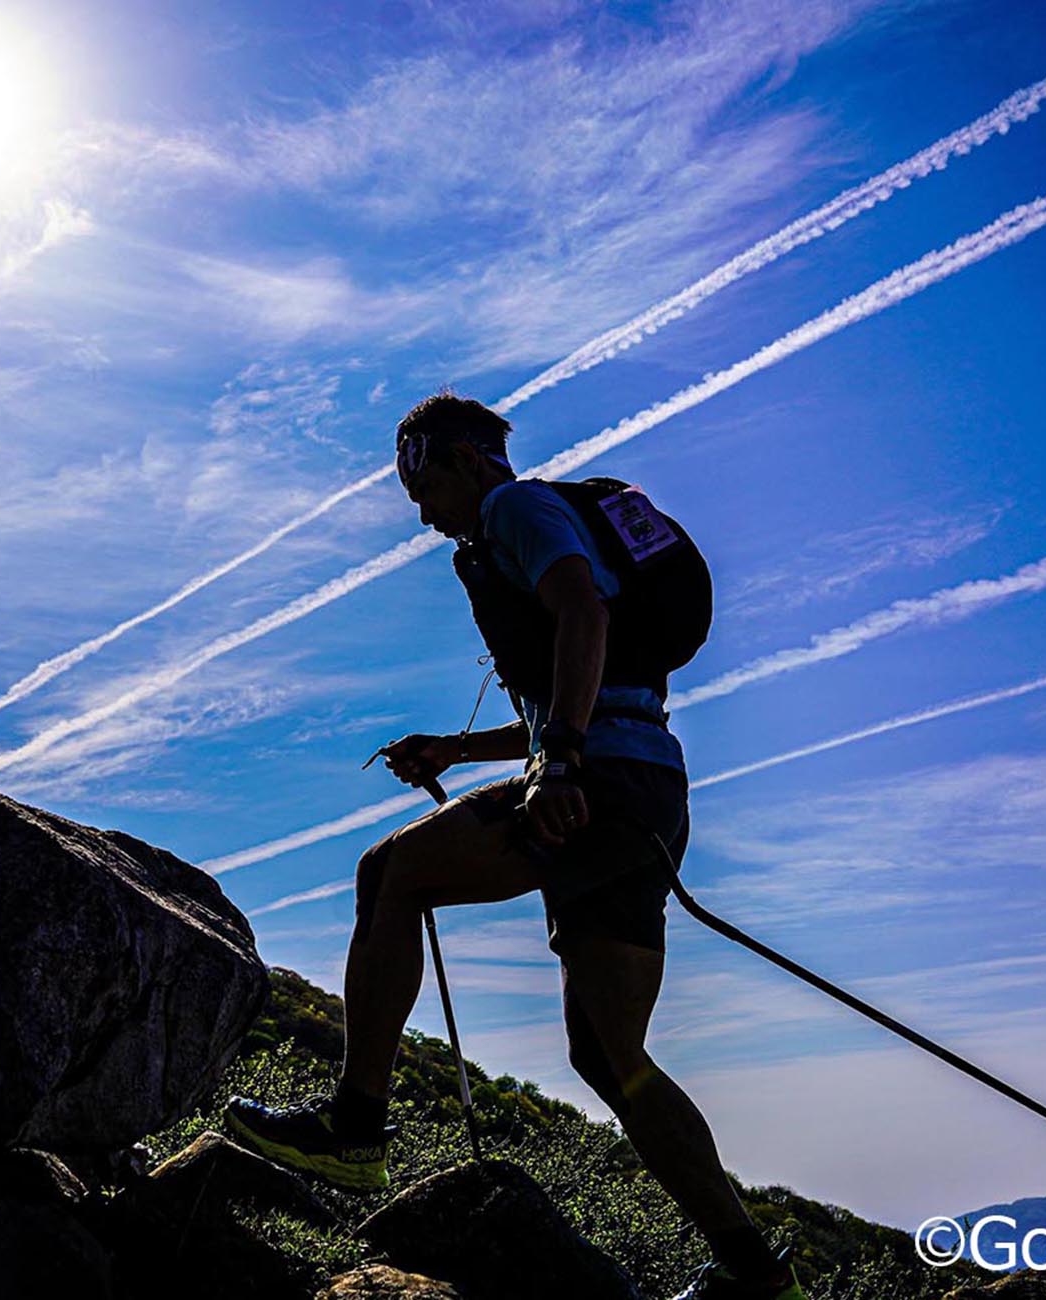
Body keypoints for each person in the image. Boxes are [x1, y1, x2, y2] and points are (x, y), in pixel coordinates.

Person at [225, 394, 803, 1300]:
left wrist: (561, 762)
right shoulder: (537, 518)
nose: (420, 512)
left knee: (390, 873)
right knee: (611, 1058)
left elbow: (583, 614)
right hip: (646, 787)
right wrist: (466, 749)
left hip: (595, 782)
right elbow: (589, 672)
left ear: (459, 458)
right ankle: (756, 1274)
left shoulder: (514, 509)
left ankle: (355, 1129)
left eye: (419, 483)